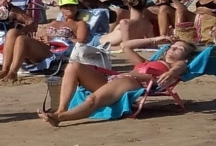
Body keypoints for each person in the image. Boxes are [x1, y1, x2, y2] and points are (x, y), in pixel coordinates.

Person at [42, 41, 193, 126]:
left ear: (185, 57)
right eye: (172, 47)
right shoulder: (147, 62)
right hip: (114, 79)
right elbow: (126, 46)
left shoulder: (175, 66)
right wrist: (156, 39)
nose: (173, 49)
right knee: (73, 66)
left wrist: (171, 73)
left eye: (180, 49)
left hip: (131, 83)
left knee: (92, 99)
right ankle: (60, 110)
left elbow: (182, 67)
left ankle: (61, 118)